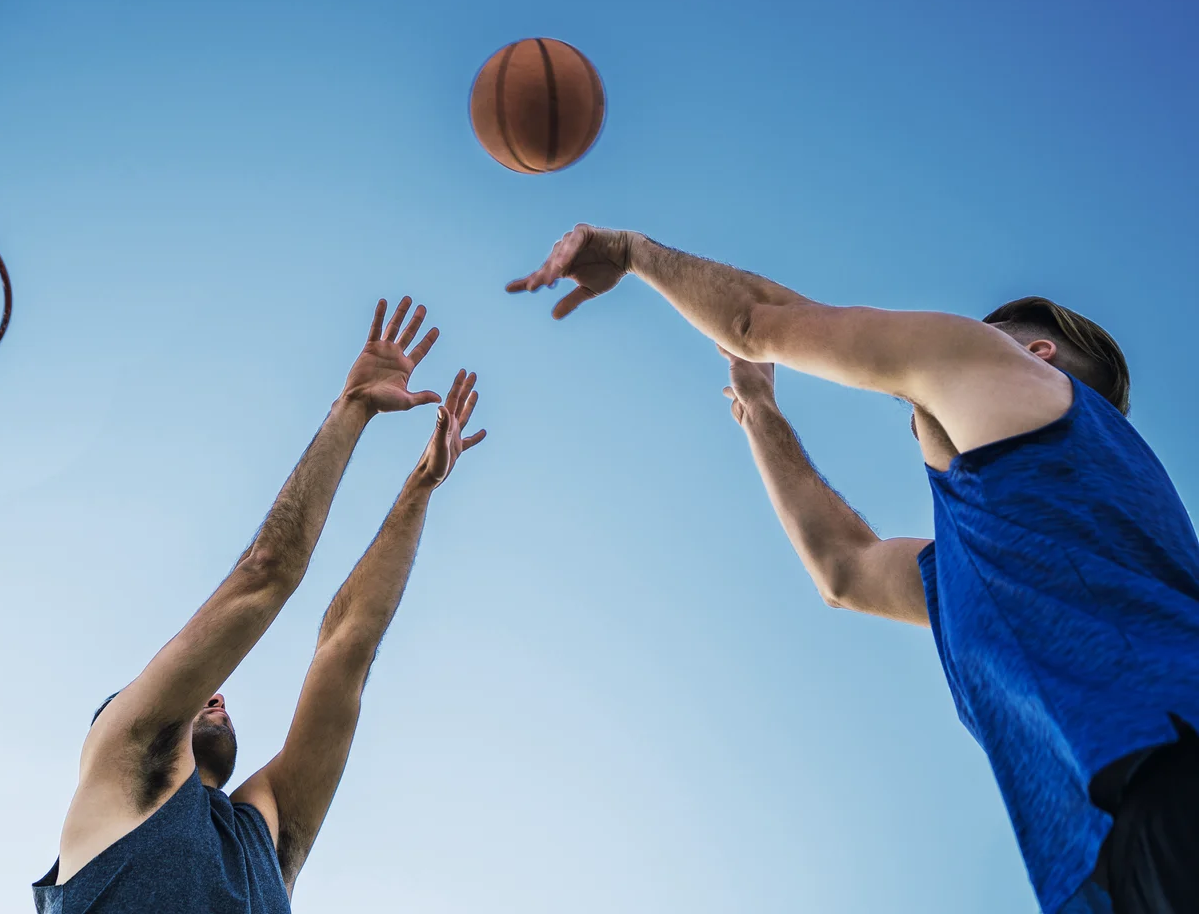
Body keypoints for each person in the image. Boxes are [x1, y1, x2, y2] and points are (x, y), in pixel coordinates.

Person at [508, 225, 1199, 914]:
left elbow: (757, 321)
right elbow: (844, 568)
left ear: (1037, 354)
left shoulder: (1012, 379)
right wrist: (759, 412)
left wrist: (633, 253)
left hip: (1170, 774)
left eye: (981, 330)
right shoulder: (1008, 547)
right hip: (1113, 851)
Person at [33, 297, 485, 913]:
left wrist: (420, 488)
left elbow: (347, 647)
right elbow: (264, 573)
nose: (216, 695)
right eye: (197, 697)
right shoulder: (126, 754)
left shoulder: (263, 837)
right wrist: (352, 408)